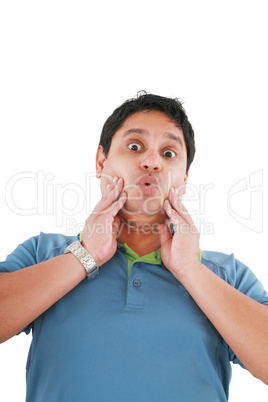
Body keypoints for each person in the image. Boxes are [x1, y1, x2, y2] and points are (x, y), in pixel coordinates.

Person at [0, 92, 267, 402]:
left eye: (168, 154)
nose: (152, 161)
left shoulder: (227, 275)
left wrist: (190, 270)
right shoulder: (43, 253)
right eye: (135, 146)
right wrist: (84, 256)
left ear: (183, 179)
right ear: (101, 161)